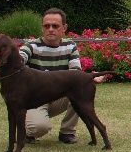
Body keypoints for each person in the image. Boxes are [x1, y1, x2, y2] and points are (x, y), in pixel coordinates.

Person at [19, 8, 106, 144]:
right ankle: (27, 130)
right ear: (42, 28)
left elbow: (75, 74)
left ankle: (67, 132)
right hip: (35, 98)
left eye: (55, 26)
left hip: (58, 94)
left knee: (79, 92)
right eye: (46, 26)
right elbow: (20, 59)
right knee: (39, 128)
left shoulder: (70, 46)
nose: (50, 29)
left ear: (64, 28)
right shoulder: (30, 46)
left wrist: (89, 78)